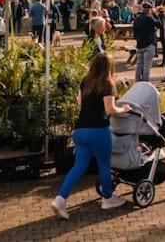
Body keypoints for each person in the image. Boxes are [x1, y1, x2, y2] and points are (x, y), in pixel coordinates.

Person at [50, 52, 132, 219]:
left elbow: (79, 103)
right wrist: (125, 109)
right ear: (109, 67)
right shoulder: (108, 84)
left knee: (78, 167)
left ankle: (60, 199)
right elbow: (110, 109)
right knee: (104, 165)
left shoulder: (85, 81)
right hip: (98, 131)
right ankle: (108, 198)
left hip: (80, 131)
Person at [133, 2, 161, 83]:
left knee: (139, 64)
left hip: (139, 44)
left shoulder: (137, 19)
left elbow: (134, 33)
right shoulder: (150, 18)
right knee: (146, 66)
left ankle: (137, 81)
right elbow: (159, 24)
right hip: (149, 44)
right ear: (149, 10)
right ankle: (145, 82)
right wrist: (155, 14)